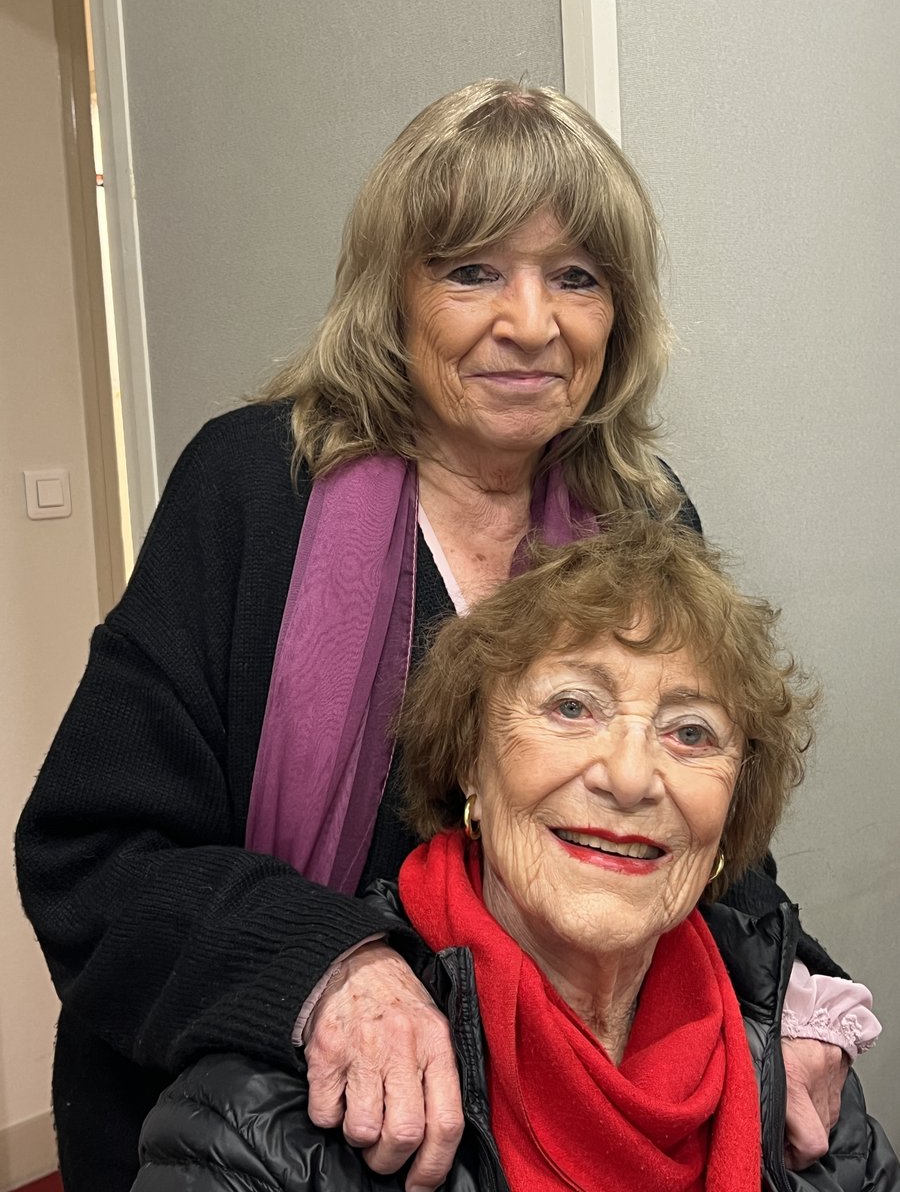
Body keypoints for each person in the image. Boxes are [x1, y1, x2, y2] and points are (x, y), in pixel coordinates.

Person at [15, 81, 877, 1192]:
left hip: (564, 1129)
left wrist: (796, 992)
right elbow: (93, 858)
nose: (530, 322)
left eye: (577, 276)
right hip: (274, 1135)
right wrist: (329, 971)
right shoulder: (252, 492)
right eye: (472, 270)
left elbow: (690, 813)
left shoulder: (646, 518)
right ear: (394, 297)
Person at [131, 518, 897, 1191]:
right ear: (471, 757)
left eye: (690, 732)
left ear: (732, 808)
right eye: (571, 707)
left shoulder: (799, 1067)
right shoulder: (275, 1119)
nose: (630, 778)